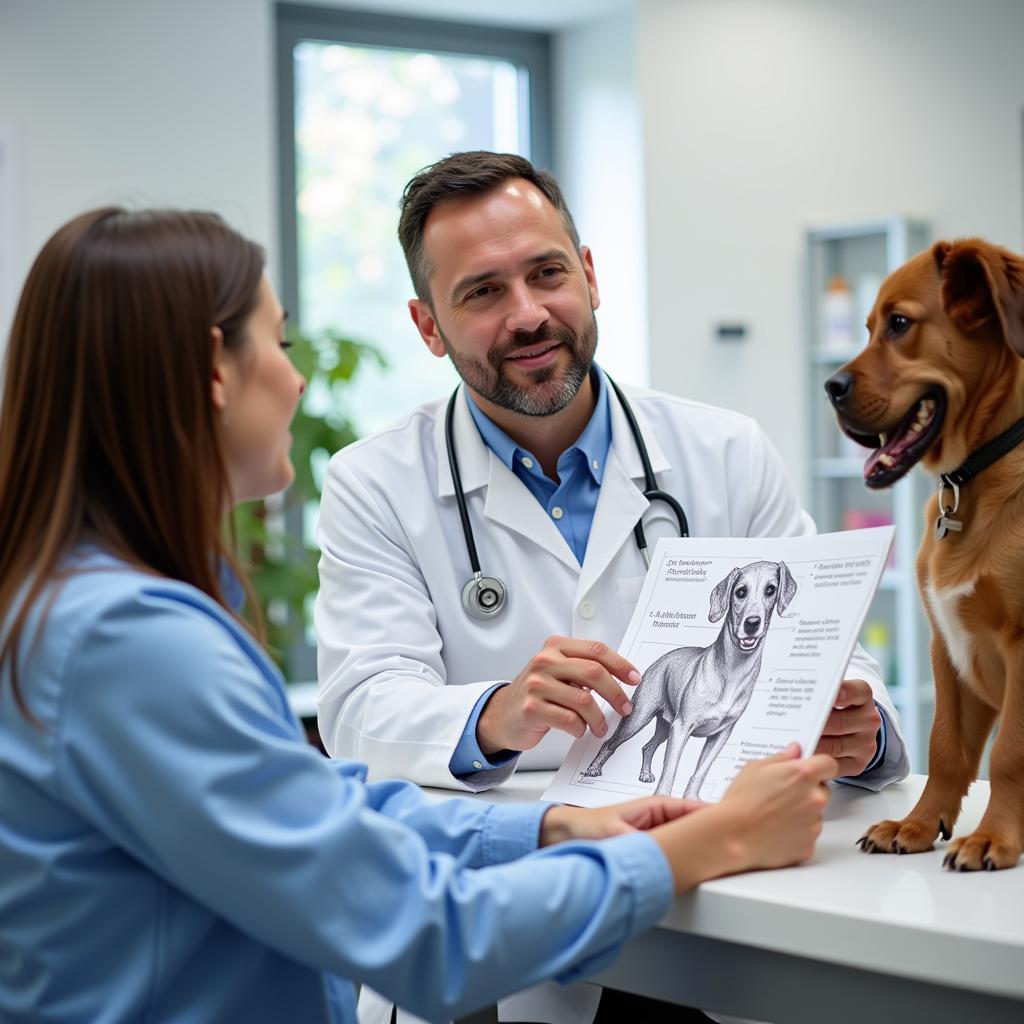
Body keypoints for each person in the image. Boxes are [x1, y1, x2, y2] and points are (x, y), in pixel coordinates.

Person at [0, 207, 839, 1024]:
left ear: (589, 273)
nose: (296, 379)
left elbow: (322, 804)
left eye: (547, 272)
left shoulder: (89, 610)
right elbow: (432, 936)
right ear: (219, 371)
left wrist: (552, 828)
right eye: (282, 343)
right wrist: (708, 843)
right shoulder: (130, 643)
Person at [313, 151, 910, 1024]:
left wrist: (866, 725)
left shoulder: (725, 451)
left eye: (547, 273)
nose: (528, 314)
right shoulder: (375, 483)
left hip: (726, 922)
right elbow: (358, 708)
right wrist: (495, 715)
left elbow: (832, 644)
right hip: (507, 929)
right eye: (481, 292)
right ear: (427, 325)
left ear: (588, 276)